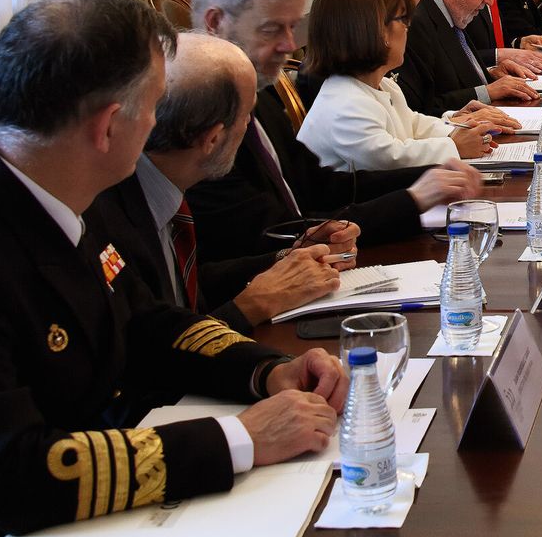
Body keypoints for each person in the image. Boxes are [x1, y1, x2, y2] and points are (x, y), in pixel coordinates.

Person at [0, 0, 347, 537]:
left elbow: (144, 319)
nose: (158, 122)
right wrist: (238, 440)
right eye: (154, 106)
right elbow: (12, 472)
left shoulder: (59, 187)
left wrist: (265, 371)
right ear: (108, 126)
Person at [186, 0, 485, 261]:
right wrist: (412, 198)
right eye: (273, 29)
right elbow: (275, 232)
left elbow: (322, 184)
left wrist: (429, 178)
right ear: (215, 23)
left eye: (292, 28)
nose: (289, 45)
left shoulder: (264, 99)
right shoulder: (201, 122)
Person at [93, 33, 350, 335]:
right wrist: (249, 307)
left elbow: (191, 282)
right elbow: (143, 351)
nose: (250, 127)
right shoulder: (107, 212)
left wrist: (287, 257)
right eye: (246, 116)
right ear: (213, 138)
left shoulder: (163, 182)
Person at [298, 0, 498, 172]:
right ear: (377, 31)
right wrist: (454, 146)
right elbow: (390, 159)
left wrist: (455, 131)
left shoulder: (383, 85)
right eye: (403, 20)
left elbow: (413, 124)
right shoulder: (345, 104)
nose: (408, 28)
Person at [346, 0, 522, 133]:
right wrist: (453, 138)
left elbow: (409, 118)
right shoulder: (398, 28)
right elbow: (398, 137)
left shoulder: (369, 26)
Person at [406, 0, 542, 115]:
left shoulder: (449, 11)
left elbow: (452, 78)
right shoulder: (415, 21)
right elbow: (420, 108)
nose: (489, 1)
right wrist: (487, 91)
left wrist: (488, 74)